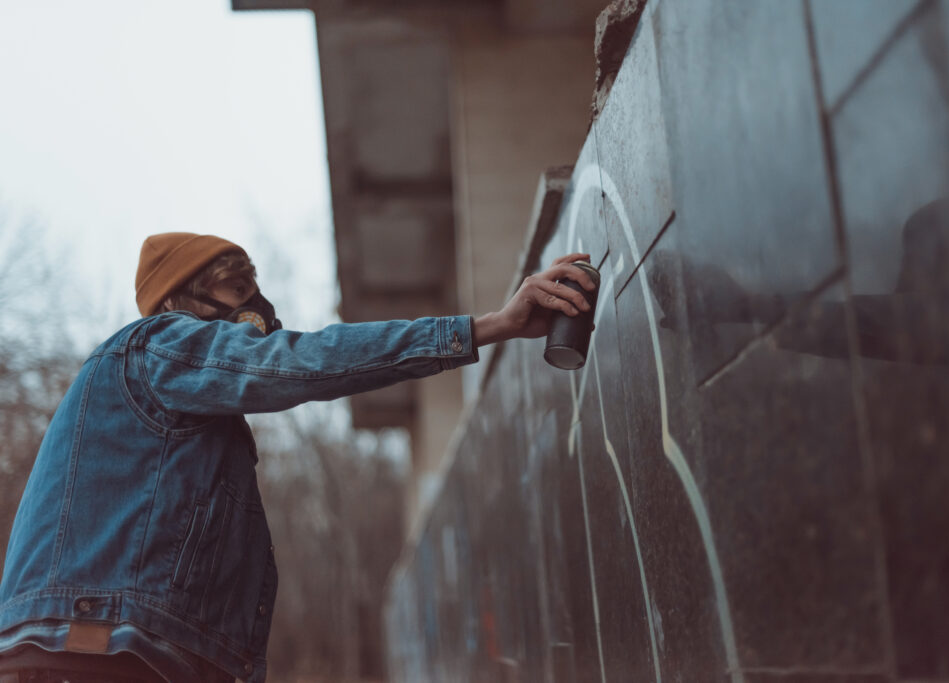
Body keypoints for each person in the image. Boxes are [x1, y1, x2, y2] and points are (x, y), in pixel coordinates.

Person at [0, 232, 595, 683]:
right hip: (89, 653)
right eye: (239, 290)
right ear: (184, 299)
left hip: (115, 654)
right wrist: (488, 326)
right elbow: (299, 361)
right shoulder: (160, 345)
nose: (258, 307)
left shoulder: (180, 424)